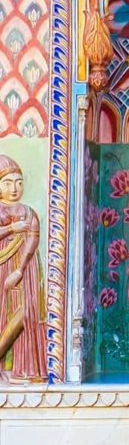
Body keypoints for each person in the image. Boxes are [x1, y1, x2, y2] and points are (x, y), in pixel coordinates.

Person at [0, 155, 48, 382]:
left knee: (25, 314)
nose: (14, 188)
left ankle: (26, 368)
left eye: (19, 182)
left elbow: (33, 237)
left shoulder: (28, 212)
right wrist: (11, 228)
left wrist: (19, 269)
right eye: (8, 183)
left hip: (24, 270)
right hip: (1, 267)